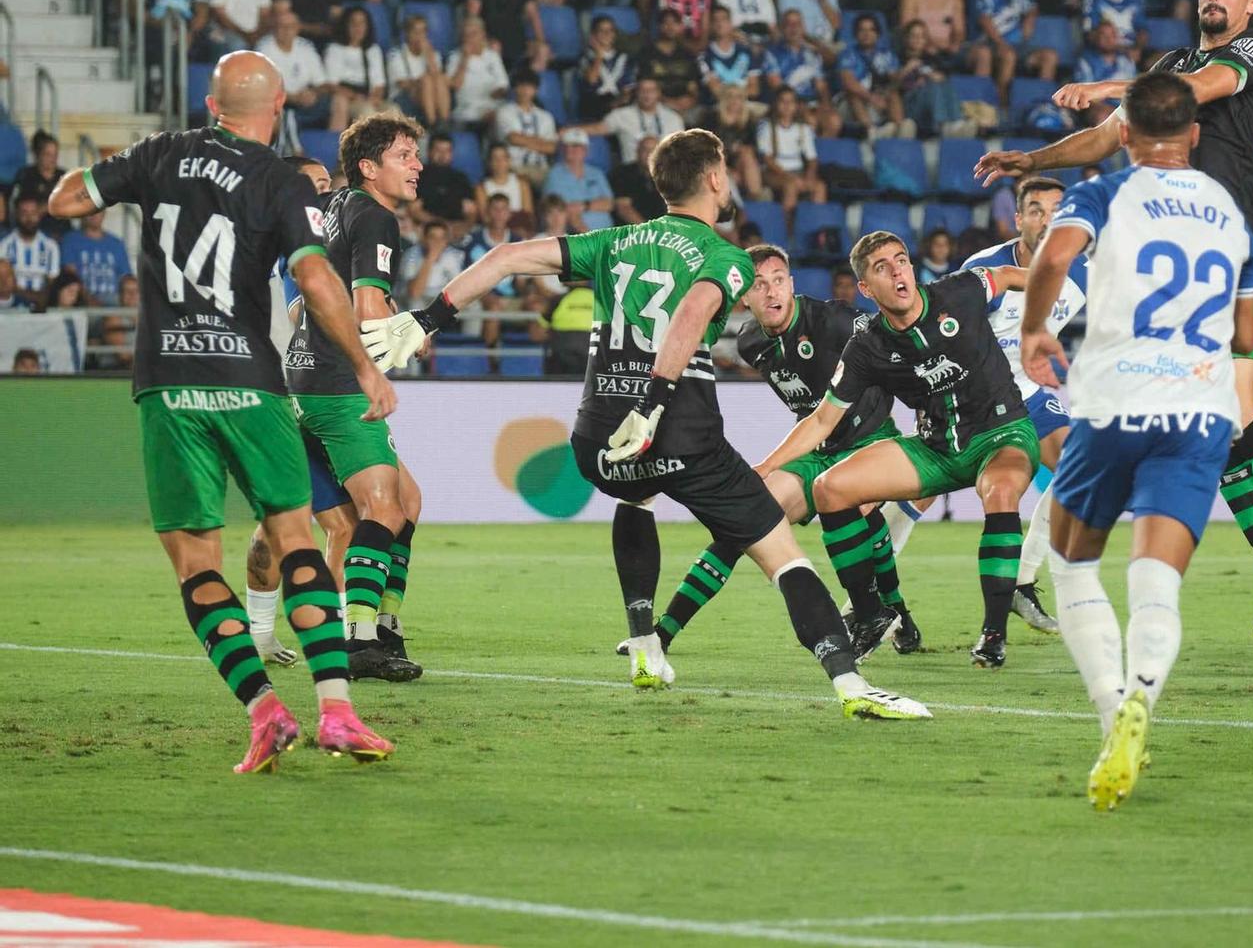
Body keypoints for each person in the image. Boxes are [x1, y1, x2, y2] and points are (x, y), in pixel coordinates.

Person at [361, 129, 928, 719]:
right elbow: (693, 310)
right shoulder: (723, 254)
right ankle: (851, 685)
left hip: (597, 438)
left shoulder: (614, 240)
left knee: (635, 497)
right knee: (784, 556)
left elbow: (507, 257)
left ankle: (646, 640)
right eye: (726, 170)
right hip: (682, 433)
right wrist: (653, 402)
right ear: (712, 179)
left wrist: (428, 318)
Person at [976, 0, 1253, 635]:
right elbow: (1108, 134)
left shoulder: (1250, 51)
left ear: (1252, 6)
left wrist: (1111, 83)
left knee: (1235, 407)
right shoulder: (1170, 62)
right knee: (1215, 426)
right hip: (1182, 247)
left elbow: (1193, 90)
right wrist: (1031, 161)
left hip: (1232, 244)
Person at [44, 51, 397, 771]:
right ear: (277, 108)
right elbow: (316, 279)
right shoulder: (279, 179)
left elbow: (66, 201)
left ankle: (264, 710)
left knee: (197, 563)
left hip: (168, 384)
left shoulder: (160, 154)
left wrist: (122, 175)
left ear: (210, 103)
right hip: (251, 381)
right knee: (299, 541)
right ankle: (337, 710)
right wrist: (365, 365)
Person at [1012, 71, 1253, 810]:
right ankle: (1146, 692)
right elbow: (1246, 333)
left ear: (1124, 132)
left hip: (1116, 399)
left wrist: (1033, 331)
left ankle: (1110, 709)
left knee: (1071, 561)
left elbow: (1052, 260)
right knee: (1158, 581)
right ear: (1193, 134)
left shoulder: (1104, 193)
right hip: (1200, 409)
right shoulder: (1229, 210)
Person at [751, 226, 1041, 668]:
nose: (898, 272)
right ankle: (870, 615)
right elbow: (823, 419)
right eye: (882, 268)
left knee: (1000, 493)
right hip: (935, 449)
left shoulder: (960, 291)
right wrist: (766, 467)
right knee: (830, 488)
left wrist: (1053, 295)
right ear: (867, 288)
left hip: (1001, 434)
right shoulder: (867, 347)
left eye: (901, 260)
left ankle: (993, 633)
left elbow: (1008, 274)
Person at [629, 244, 925, 663]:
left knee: (855, 513)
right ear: (743, 298)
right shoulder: (750, 341)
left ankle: (879, 613)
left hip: (868, 441)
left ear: (792, 284)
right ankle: (663, 633)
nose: (772, 293)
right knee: (742, 524)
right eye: (759, 285)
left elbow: (899, 350)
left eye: (779, 281)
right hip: (816, 447)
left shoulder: (834, 319)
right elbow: (810, 412)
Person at [278, 115, 429, 682]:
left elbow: (305, 295)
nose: (417, 165)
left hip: (305, 375)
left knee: (406, 503)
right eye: (405, 155)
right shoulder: (375, 218)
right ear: (369, 167)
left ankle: (384, 629)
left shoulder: (334, 206)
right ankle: (359, 640)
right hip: (339, 383)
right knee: (382, 510)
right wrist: (405, 335)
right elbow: (369, 312)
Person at [959, 178, 1088, 634]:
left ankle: (1021, 580)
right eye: (1035, 210)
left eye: (1058, 209)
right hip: (969, 397)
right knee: (918, 494)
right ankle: (880, 602)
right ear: (1018, 220)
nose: (1047, 219)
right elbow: (948, 336)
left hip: (1027, 393)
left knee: (1081, 468)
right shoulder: (985, 268)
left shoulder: (1084, 269)